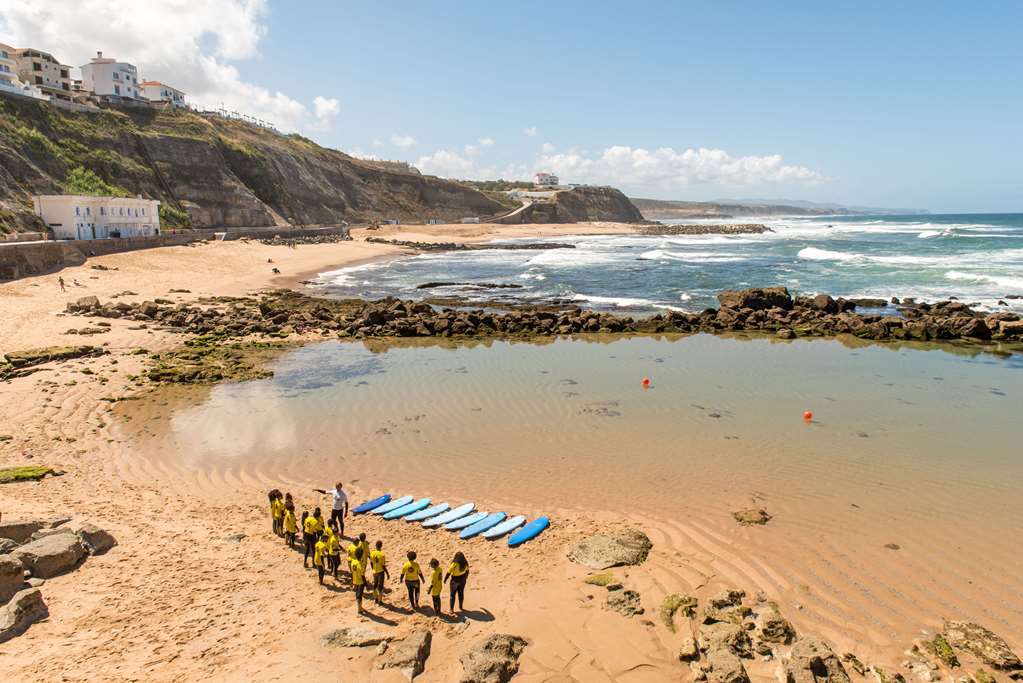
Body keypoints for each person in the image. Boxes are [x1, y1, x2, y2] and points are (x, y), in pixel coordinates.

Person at [369, 540, 389, 604]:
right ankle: (380, 601)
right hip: (380, 572)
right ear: (381, 546)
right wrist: (387, 573)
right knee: (380, 587)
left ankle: (375, 599)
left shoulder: (372, 553)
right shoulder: (382, 555)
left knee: (375, 585)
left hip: (375, 572)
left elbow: (371, 563)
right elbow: (383, 566)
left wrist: (373, 569)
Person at [350, 546, 367, 614]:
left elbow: (352, 572)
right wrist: (366, 583)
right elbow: (363, 575)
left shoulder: (353, 562)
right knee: (360, 596)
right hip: (360, 582)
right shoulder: (360, 565)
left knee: (357, 594)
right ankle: (359, 609)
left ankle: (360, 607)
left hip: (355, 580)